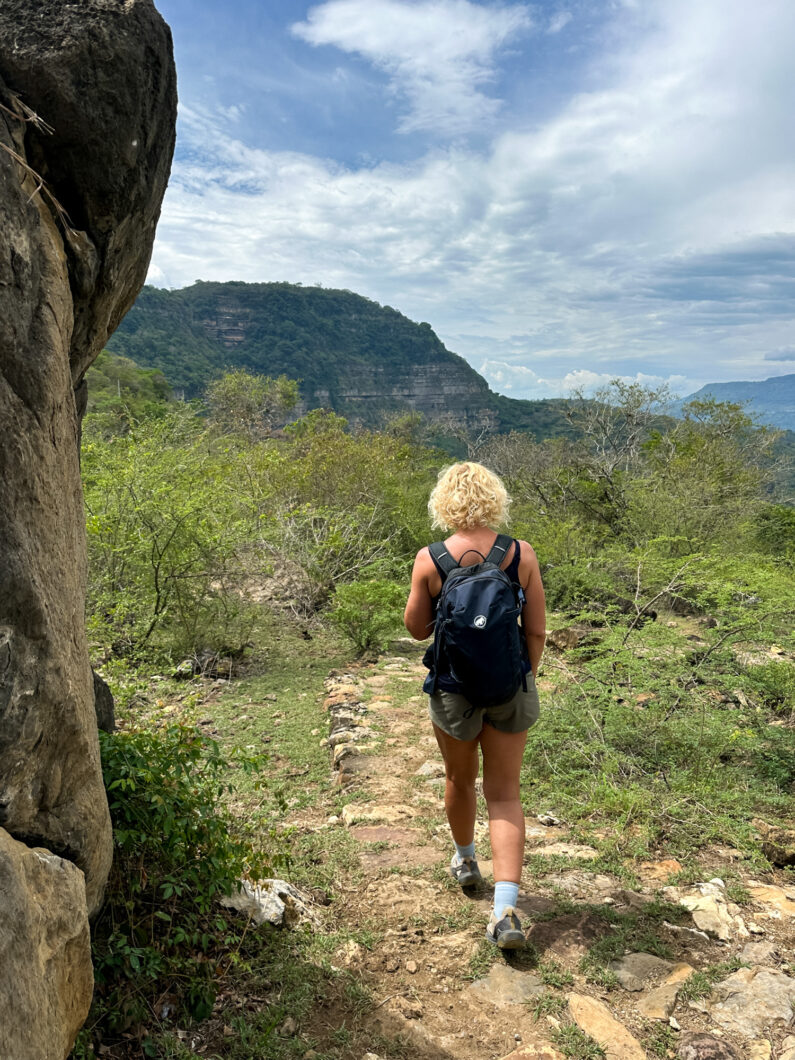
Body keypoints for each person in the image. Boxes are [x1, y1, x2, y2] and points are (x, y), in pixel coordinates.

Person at [404, 461, 546, 948]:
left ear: (444, 502)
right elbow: (537, 630)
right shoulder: (520, 554)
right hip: (511, 686)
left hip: (452, 688)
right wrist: (521, 674)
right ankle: (505, 909)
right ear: (495, 499)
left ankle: (466, 859)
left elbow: (415, 627)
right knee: (505, 793)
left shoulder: (431, 558)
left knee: (459, 780)